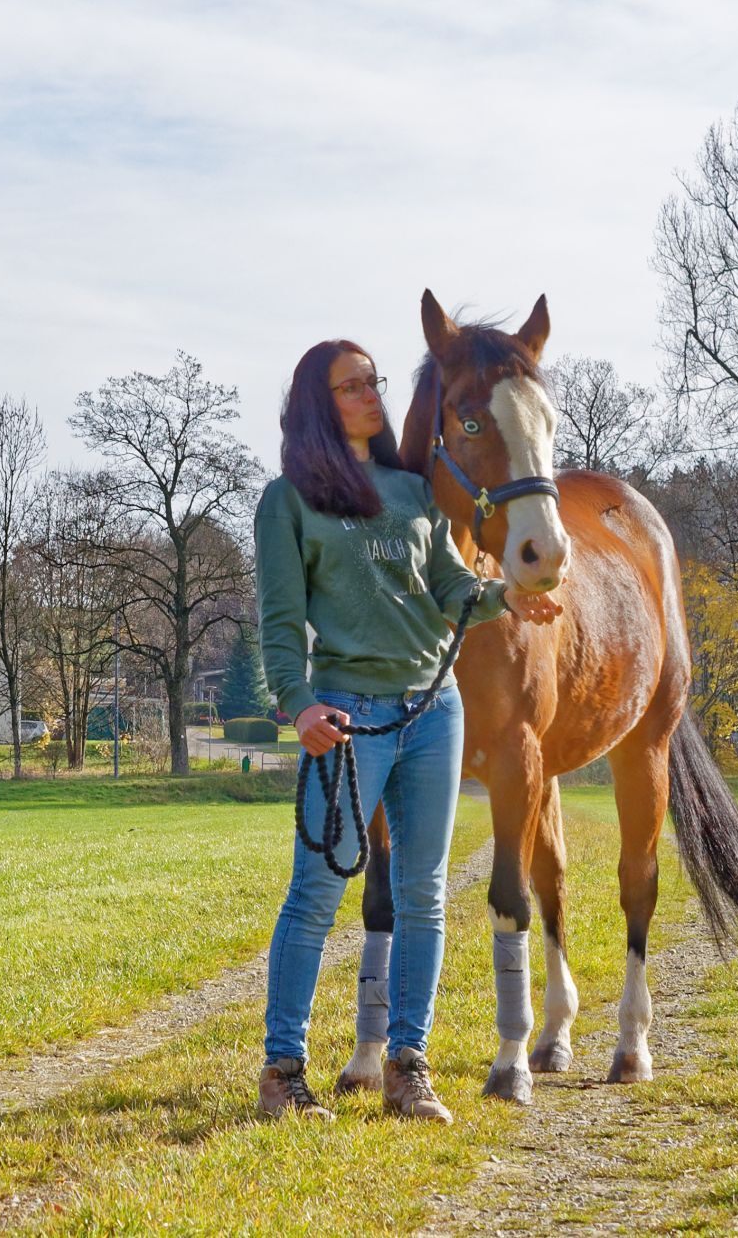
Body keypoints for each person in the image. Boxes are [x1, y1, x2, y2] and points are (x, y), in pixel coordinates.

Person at [254, 339, 559, 1123]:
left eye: (372, 380)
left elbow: (450, 586)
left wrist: (505, 598)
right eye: (351, 385)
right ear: (318, 403)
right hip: (348, 715)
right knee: (316, 892)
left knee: (423, 895)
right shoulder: (289, 501)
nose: (371, 393)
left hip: (432, 710)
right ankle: (283, 1072)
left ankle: (407, 1066)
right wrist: (299, 704)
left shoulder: (413, 492)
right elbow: (281, 622)